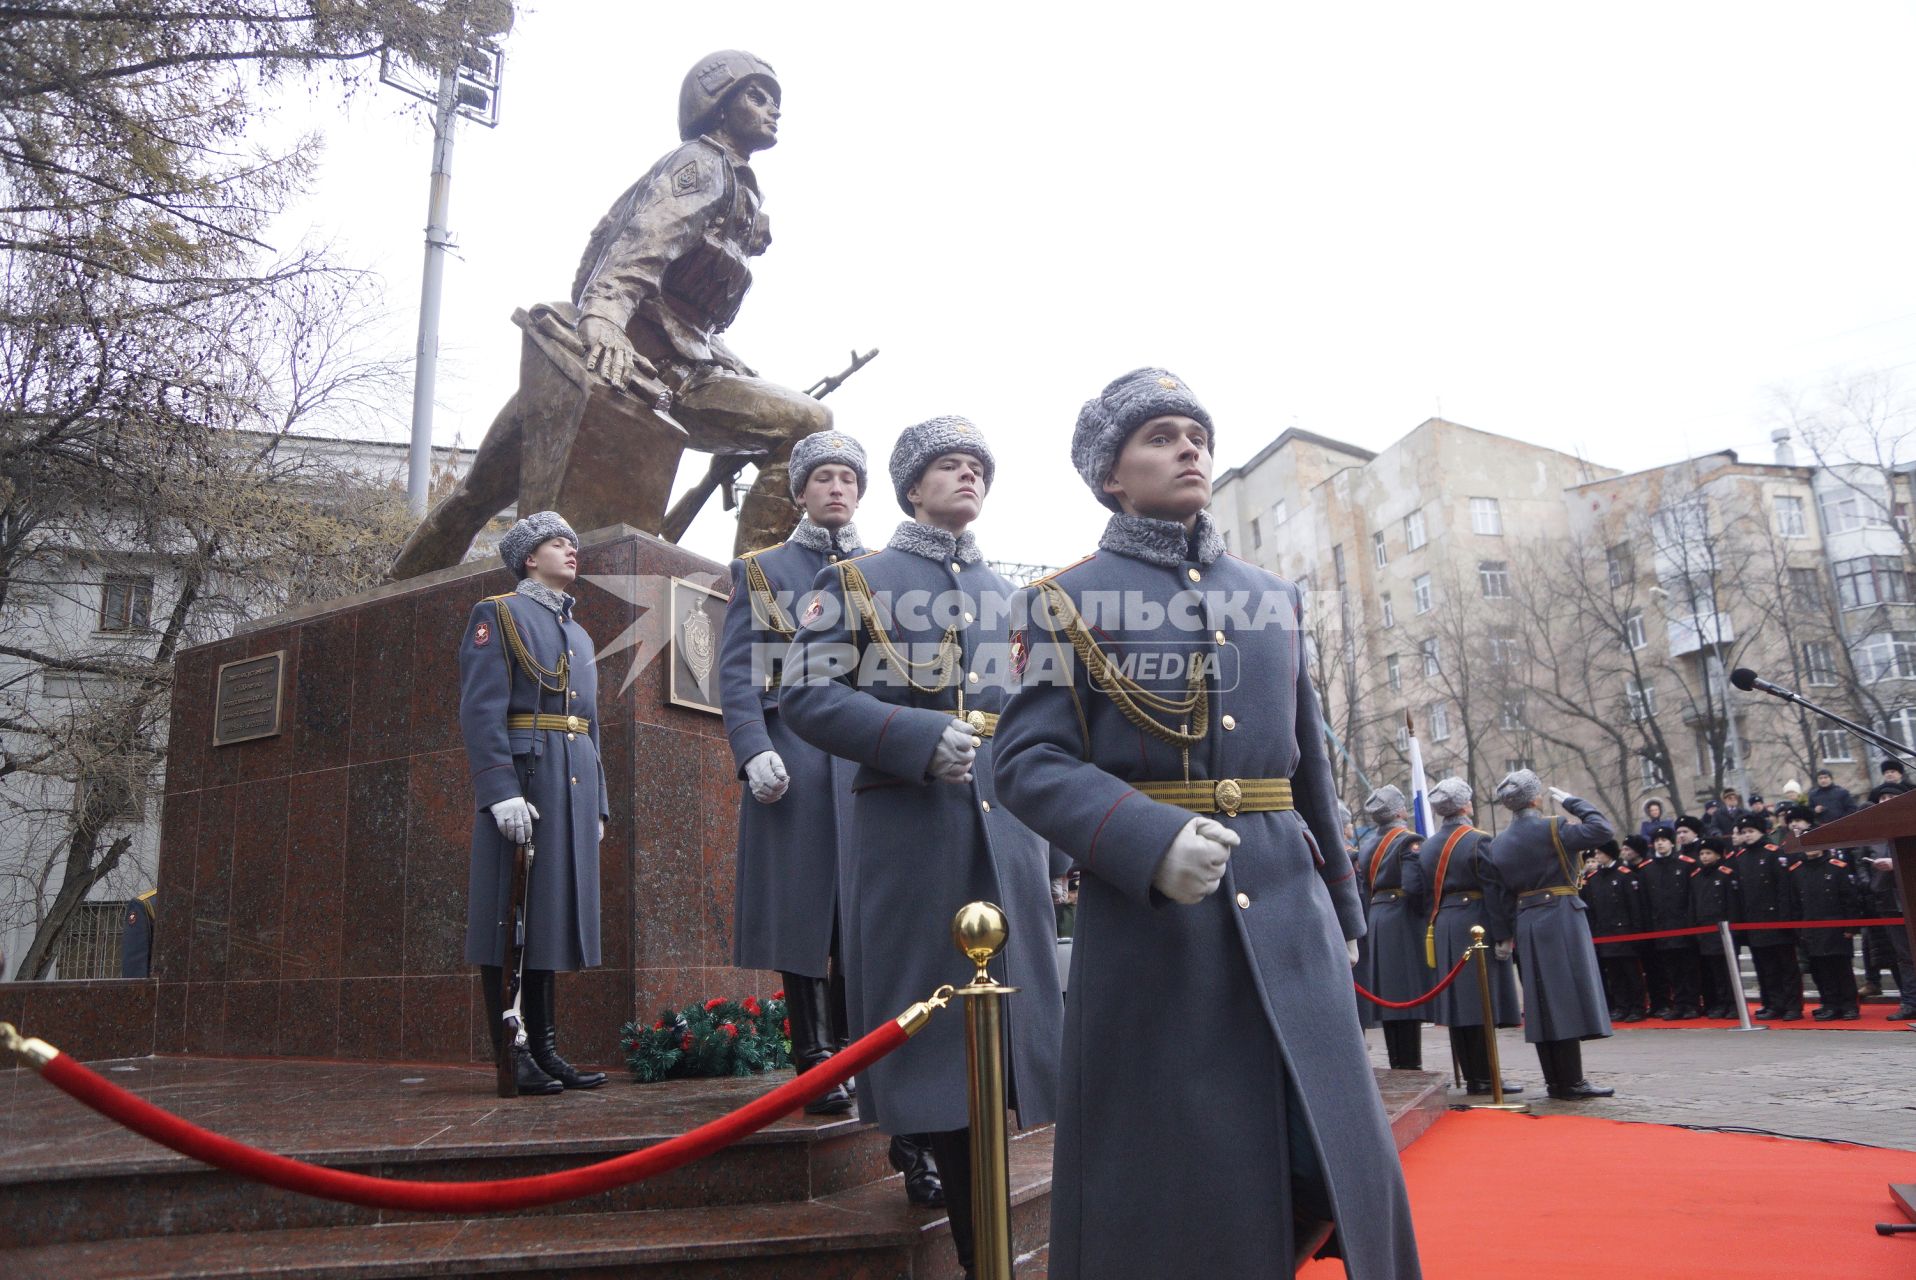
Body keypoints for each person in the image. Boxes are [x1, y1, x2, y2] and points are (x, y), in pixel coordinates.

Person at [992, 369, 1419, 1278]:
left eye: (1197, 432)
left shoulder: (1272, 595)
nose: (1189, 447)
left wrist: (1342, 908)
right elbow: (1025, 763)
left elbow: (1307, 764)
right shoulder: (1062, 600)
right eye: (1160, 436)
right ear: (1111, 473)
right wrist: (1147, 840)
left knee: (1329, 1152)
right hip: (1158, 926)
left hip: (1289, 906)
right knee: (1183, 1177)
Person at [781, 416, 1063, 1278]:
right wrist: (910, 737)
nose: (969, 476)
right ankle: (974, 1238)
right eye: (950, 465)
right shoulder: (855, 579)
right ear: (910, 486)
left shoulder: (1016, 596)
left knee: (1013, 1048)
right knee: (940, 1046)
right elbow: (804, 695)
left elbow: (1038, 716)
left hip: (1007, 833)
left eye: (979, 465)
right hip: (912, 833)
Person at [392, 51, 832, 577]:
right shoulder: (700, 164)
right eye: (756, 97)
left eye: (775, 101)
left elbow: (688, 313)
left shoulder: (742, 194)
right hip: (621, 361)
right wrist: (602, 317)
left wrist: (730, 362)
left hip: (679, 369)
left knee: (808, 422)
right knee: (475, 495)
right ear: (717, 106)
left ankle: (752, 587)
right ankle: (383, 599)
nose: (771, 110)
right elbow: (641, 242)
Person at [717, 432, 871, 1122]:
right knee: (806, 910)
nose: (837, 488)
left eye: (848, 479)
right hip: (796, 753)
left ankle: (858, 1055)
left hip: (870, 754)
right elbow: (737, 670)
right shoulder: (761, 569)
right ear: (801, 492)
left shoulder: (885, 569)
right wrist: (752, 749)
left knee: (864, 916)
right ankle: (815, 1064)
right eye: (824, 478)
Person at [459, 512, 608, 1097]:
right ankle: (513, 1051)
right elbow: (480, 709)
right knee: (509, 919)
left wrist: (599, 803)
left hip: (570, 784)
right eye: (556, 543)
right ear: (528, 558)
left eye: (573, 542)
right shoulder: (497, 614)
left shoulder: (580, 633)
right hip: (527, 779)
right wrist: (499, 790)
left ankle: (545, 1048)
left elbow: (591, 725)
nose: (571, 550)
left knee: (545, 918)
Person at [1482, 772, 1615, 1100]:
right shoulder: (1554, 827)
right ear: (1535, 799)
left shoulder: (1498, 843)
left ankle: (1555, 1080)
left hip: (1526, 920)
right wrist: (1573, 801)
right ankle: (1571, 1082)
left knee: (1540, 1003)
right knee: (1565, 997)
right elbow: (1602, 829)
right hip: (1561, 916)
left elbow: (1498, 897)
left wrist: (1504, 935)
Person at [1402, 776, 1522, 1095]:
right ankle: (1487, 1077)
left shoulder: (1426, 846)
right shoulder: (1479, 840)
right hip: (1476, 922)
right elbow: (1494, 890)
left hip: (1444, 925)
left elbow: (1420, 892)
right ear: (1465, 805)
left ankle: (1473, 1075)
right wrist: (1504, 934)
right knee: (1480, 1002)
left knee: (1459, 1006)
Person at [1354, 785, 1431, 1070]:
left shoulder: (1369, 844)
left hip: (1378, 916)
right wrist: (1426, 912)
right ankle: (1411, 1065)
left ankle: (1399, 1062)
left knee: (1390, 995)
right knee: (1406, 992)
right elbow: (1414, 885)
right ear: (1399, 811)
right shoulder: (1408, 840)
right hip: (1402, 917)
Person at [1732, 812, 1802, 1020]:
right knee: (1765, 968)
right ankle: (1773, 1004)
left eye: (1751, 831)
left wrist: (1785, 920)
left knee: (1786, 967)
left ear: (1762, 832)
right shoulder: (1741, 858)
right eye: (1744, 832)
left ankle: (1793, 1006)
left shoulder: (1773, 854)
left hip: (1776, 920)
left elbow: (1783, 890)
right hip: (1754, 923)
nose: (1747, 835)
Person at [1789, 841, 1863, 1020]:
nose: (1810, 848)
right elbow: (1795, 903)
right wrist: (1799, 930)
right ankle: (1829, 1004)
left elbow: (1850, 899)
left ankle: (1849, 1005)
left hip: (1836, 926)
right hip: (1811, 927)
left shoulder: (1837, 867)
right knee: (1820, 969)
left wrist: (1850, 926)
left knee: (1841, 968)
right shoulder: (1796, 870)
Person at [1638, 821, 1701, 1019]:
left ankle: (1692, 1003)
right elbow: (1645, 901)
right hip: (1661, 927)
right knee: (1671, 969)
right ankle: (1679, 1004)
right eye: (1657, 841)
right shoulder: (1647, 869)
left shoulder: (1685, 864)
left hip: (1683, 926)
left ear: (1672, 843)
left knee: (1688, 968)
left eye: (1664, 840)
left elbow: (1692, 897)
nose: (1660, 844)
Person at [1581, 840, 1649, 1021]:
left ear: (1609, 853)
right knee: (1614, 973)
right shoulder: (1594, 879)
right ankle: (1621, 1006)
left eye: (1599, 852)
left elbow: (1635, 907)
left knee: (1631, 972)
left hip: (1624, 933)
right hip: (1604, 933)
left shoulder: (1625, 876)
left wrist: (1637, 933)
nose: (1596, 856)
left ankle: (1637, 1007)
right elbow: (1592, 909)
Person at [1689, 836, 1740, 1018]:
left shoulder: (1726, 874)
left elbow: (1733, 905)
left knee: (1729, 971)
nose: (1704, 857)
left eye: (1708, 853)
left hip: (1724, 931)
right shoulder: (1696, 877)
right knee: (1715, 972)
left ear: (1718, 855)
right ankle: (1721, 1003)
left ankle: (1735, 1004)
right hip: (1706, 931)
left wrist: (1733, 929)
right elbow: (1693, 904)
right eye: (1702, 853)